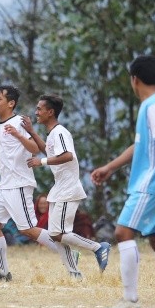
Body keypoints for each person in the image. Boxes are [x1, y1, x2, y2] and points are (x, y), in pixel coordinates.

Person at [0, 86, 83, 281]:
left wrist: (18, 135)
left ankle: (68, 253)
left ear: (11, 103)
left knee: (27, 229)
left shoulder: (18, 122)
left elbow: (35, 149)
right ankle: (3, 273)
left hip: (20, 184)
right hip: (5, 186)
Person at [91, 55, 155, 308]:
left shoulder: (152, 106)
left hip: (149, 184)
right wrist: (110, 167)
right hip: (154, 183)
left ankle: (130, 299)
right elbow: (141, 145)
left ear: (135, 79)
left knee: (122, 233)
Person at [25, 94, 110, 273]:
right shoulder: (52, 134)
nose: (36, 112)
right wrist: (32, 132)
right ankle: (74, 273)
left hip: (68, 188)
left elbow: (67, 155)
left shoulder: (60, 132)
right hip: (59, 188)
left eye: (40, 109)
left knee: (58, 233)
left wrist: (40, 162)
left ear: (51, 112)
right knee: (56, 236)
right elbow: (47, 150)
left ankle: (98, 247)